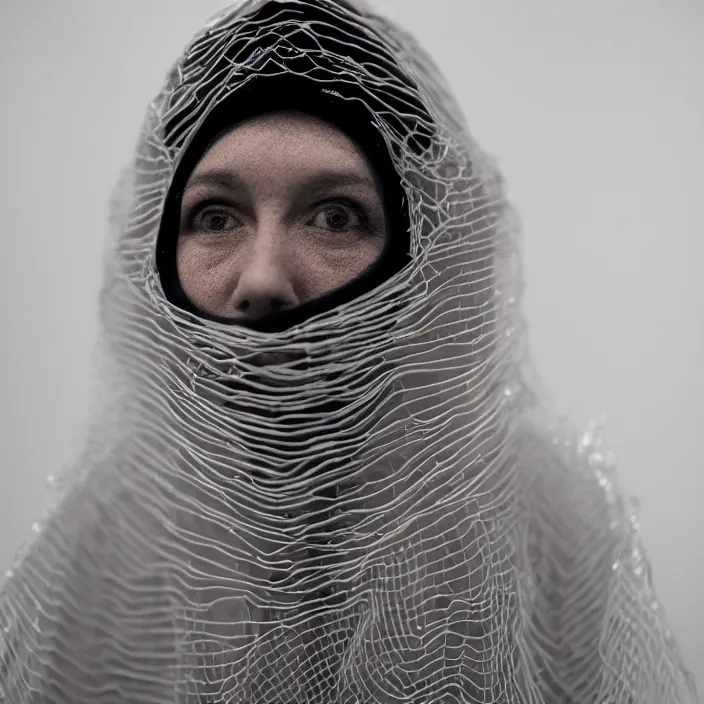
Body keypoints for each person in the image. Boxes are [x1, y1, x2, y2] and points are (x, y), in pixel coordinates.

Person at [0, 0, 697, 702]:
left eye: (336, 217)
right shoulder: (98, 552)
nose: (265, 278)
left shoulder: (555, 539)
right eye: (215, 216)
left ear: (420, 258)